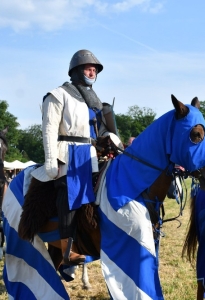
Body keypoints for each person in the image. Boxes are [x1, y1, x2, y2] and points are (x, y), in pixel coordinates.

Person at [31, 49, 121, 266]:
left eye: (94, 69)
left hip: (88, 154)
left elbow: (98, 132)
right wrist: (51, 160)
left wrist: (110, 137)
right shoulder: (58, 94)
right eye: (88, 68)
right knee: (69, 196)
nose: (92, 72)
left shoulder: (94, 102)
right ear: (76, 71)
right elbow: (49, 129)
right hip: (66, 153)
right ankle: (67, 249)